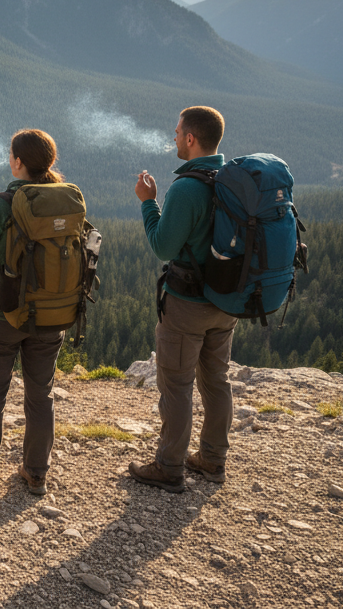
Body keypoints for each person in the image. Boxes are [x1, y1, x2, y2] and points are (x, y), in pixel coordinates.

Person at [0, 129, 71, 498]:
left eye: (11, 155)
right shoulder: (66, 200)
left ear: (18, 162)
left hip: (3, 314)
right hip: (52, 313)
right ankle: (36, 472)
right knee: (42, 395)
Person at [127, 106, 236, 493]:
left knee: (176, 385)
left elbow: (163, 246)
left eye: (177, 131)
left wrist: (147, 202)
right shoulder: (233, 180)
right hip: (227, 302)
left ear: (191, 138)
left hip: (187, 304)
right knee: (217, 380)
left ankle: (169, 466)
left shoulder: (187, 188)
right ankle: (212, 459)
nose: (173, 136)